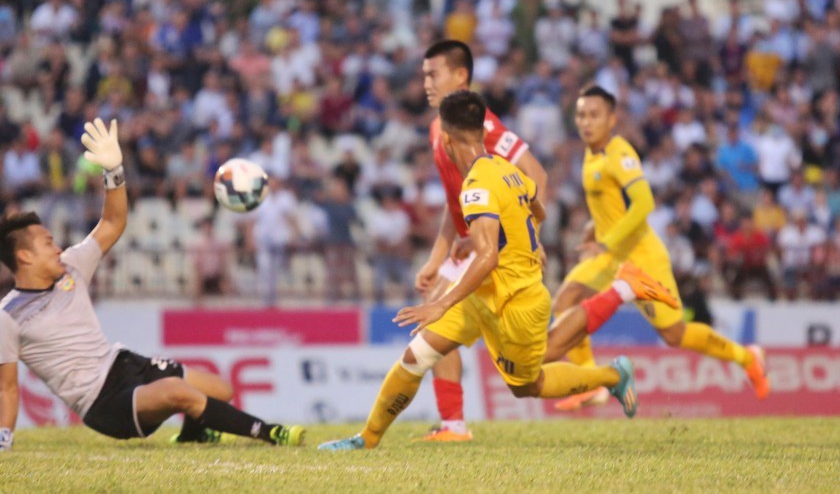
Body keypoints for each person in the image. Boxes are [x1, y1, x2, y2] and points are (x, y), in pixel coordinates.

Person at [318, 91, 637, 452]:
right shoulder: (506, 169)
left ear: (448, 140)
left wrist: (441, 303)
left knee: (526, 386)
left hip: (516, 303)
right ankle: (367, 438)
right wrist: (502, 237)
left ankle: (612, 375)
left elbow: (488, 258)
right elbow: (537, 209)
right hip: (481, 294)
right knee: (417, 356)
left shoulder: (474, 186)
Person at [0, 118, 304, 453]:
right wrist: (3, 440)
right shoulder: (6, 318)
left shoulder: (71, 267)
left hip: (124, 363)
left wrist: (114, 170)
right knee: (179, 391)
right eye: (48, 243)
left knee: (220, 390)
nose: (58, 247)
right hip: (101, 402)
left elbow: (113, 221)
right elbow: (8, 388)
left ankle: (194, 434)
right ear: (25, 257)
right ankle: (270, 433)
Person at [544, 86, 769, 412]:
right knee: (566, 299)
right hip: (610, 255)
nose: (586, 121)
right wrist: (596, 228)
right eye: (581, 114)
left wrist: (607, 239)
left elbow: (644, 202)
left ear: (612, 118)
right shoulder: (591, 153)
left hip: (641, 257)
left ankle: (748, 356)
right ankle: (591, 383)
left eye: (594, 115)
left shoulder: (619, 154)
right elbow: (611, 204)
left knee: (674, 335)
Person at [413, 40, 548, 442]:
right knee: (435, 317)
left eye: (432, 74)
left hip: (501, 249)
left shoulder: (484, 126)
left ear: (460, 76)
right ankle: (452, 425)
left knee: (522, 372)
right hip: (476, 244)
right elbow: (455, 203)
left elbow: (537, 175)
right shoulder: (440, 127)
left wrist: (529, 235)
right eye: (423, 75)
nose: (425, 83)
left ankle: (598, 376)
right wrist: (436, 257)